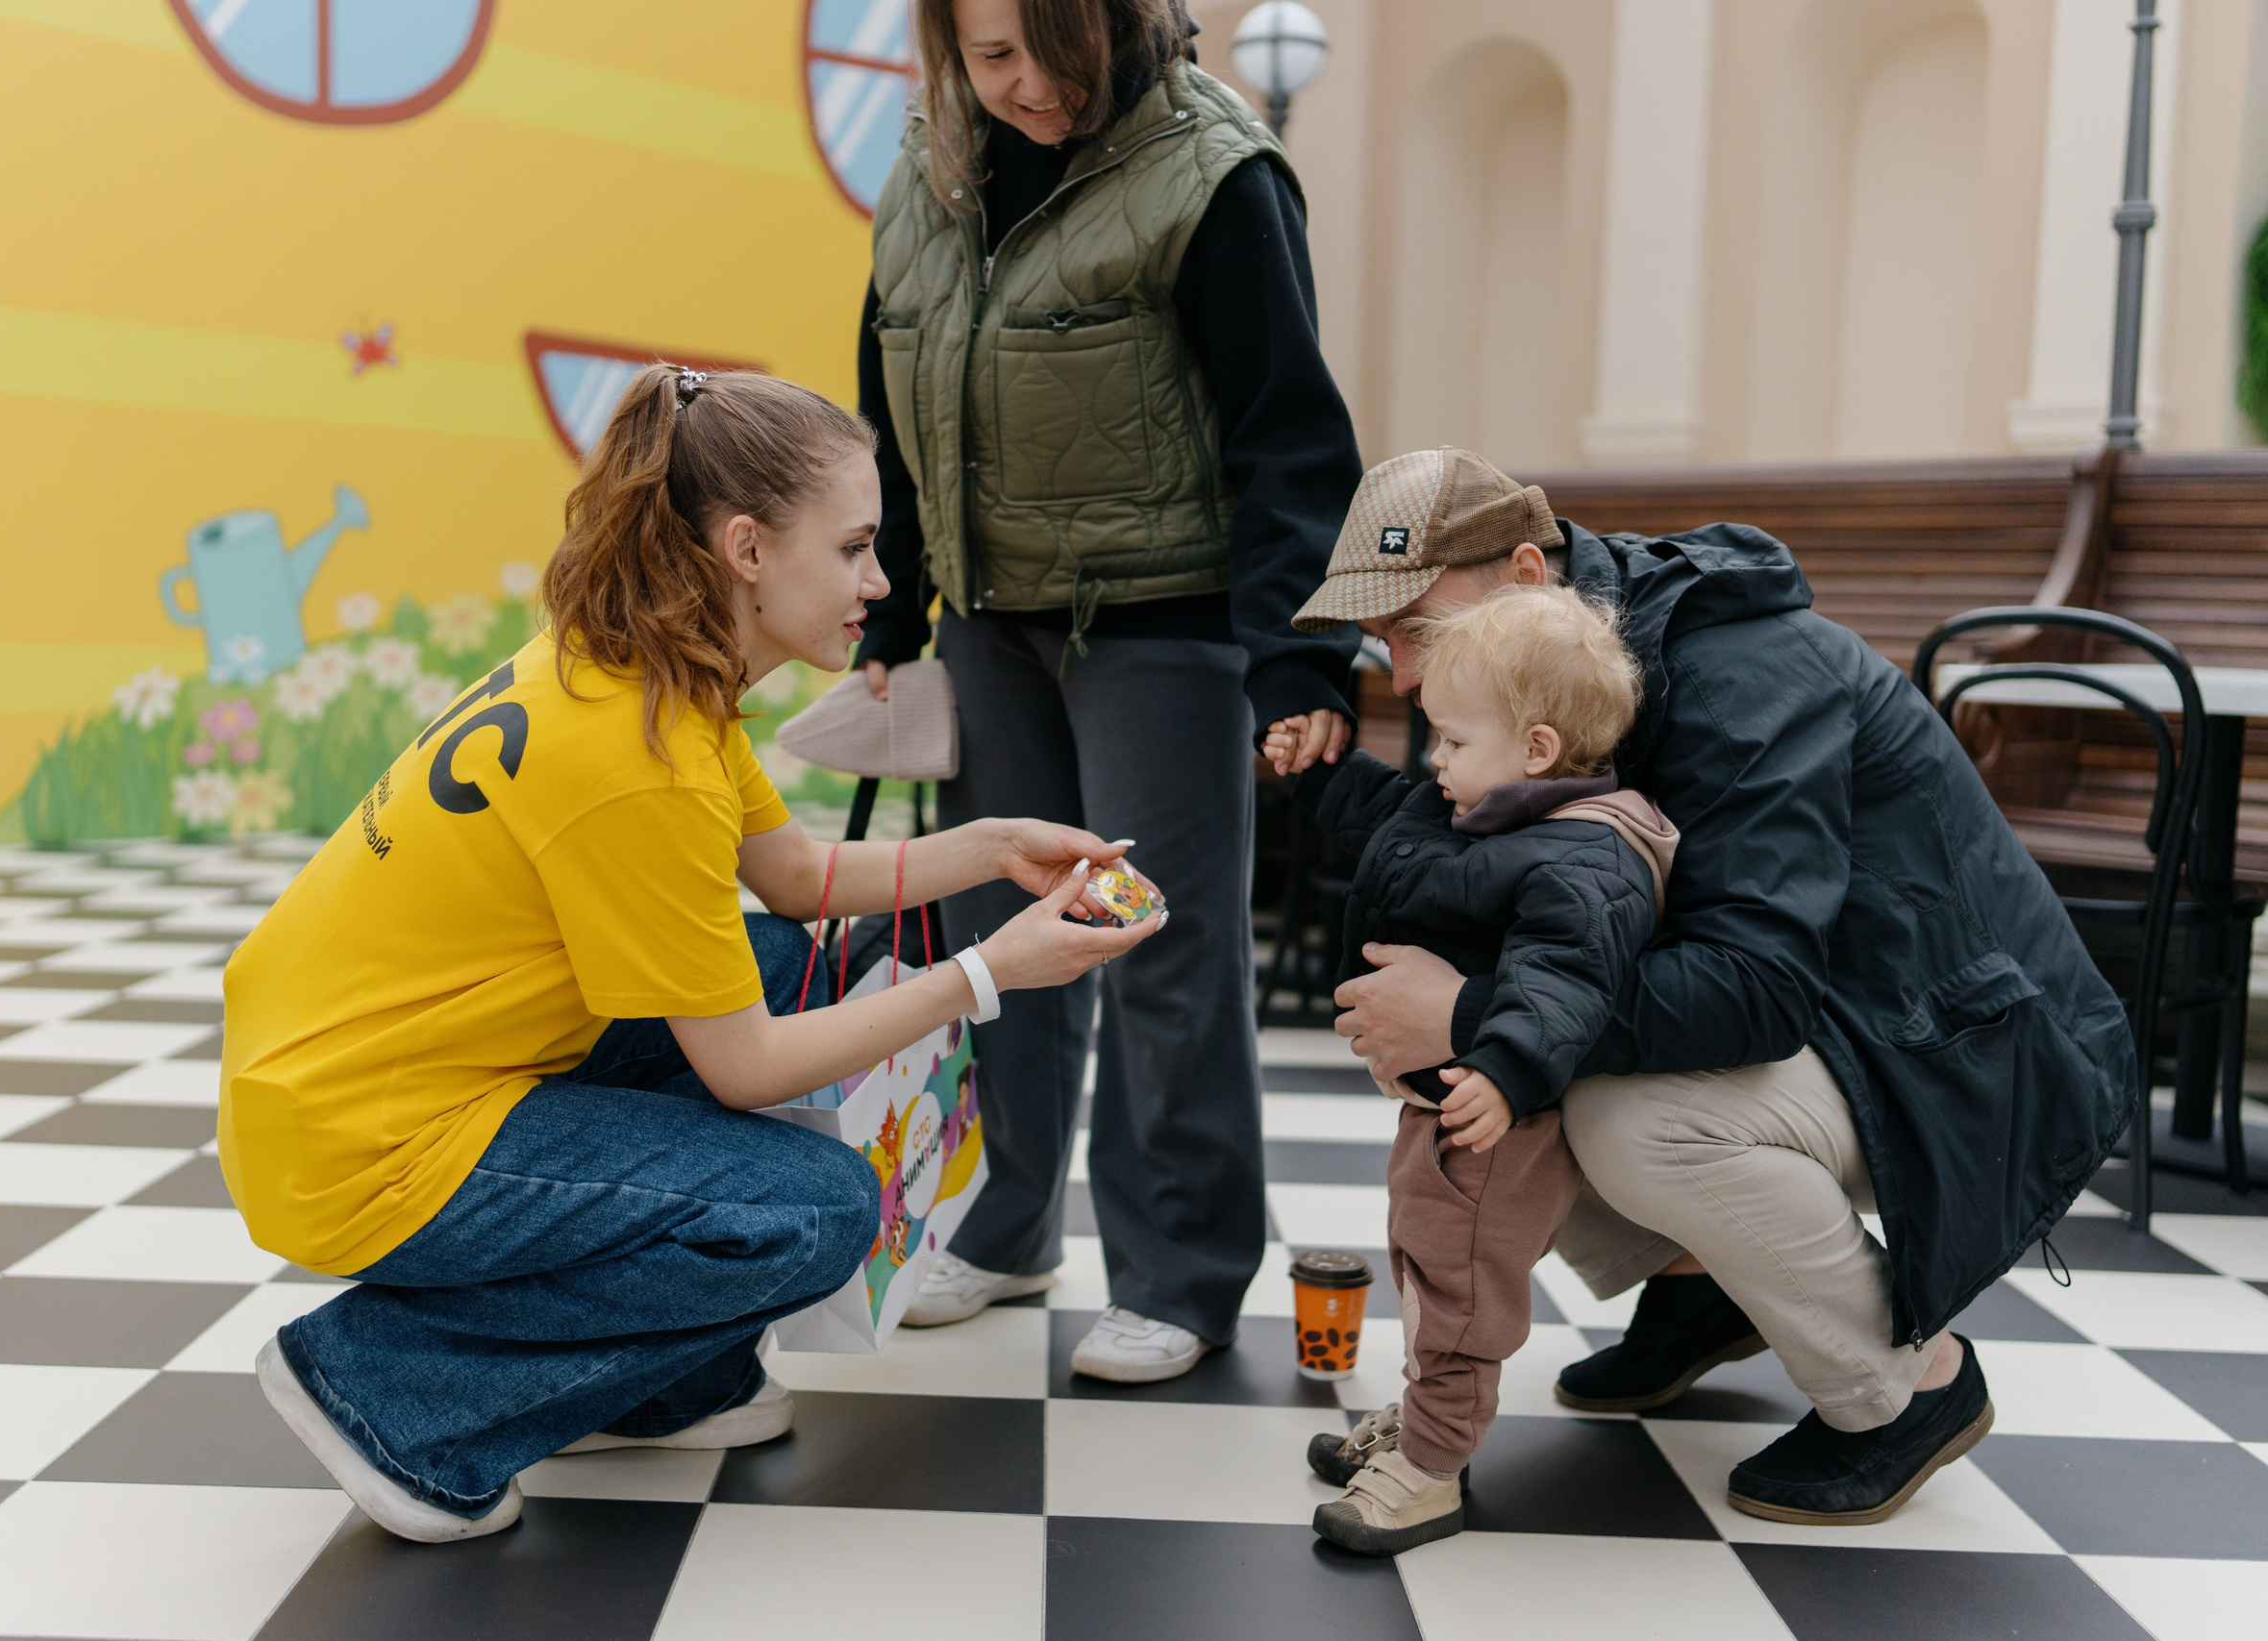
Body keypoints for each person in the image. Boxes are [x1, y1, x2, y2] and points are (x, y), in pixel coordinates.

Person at [218, 366, 1163, 1545]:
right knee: (814, 1213)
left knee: (783, 963)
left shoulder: (641, 672)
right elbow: (749, 1072)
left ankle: (663, 1381)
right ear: (747, 549)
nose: (879, 582)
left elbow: (797, 880)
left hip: (368, 1065)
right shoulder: (642, 756)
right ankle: (390, 1389)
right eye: (858, 547)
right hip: (367, 1136)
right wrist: (984, 976)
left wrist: (989, 845)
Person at [1270, 445, 2134, 1526]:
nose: (1397, 676)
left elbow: (1753, 990)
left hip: (1969, 1051)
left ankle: (1908, 1386)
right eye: (1380, 640)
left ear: (1529, 575)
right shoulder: (1528, 676)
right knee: (1526, 1052)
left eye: (1416, 630)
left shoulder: (1743, 678)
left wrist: (1464, 1011)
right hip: (1842, 1026)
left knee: (1620, 1108)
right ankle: (1693, 1291)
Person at [851, 0, 1362, 1381]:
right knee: (995, 928)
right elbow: (893, 396)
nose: (1028, 88)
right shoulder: (931, 161)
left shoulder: (1215, 172)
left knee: (1153, 951)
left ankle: (1183, 1274)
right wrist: (891, 605)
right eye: (991, 54)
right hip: (991, 621)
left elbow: (1291, 434)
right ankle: (1006, 1221)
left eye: (1052, 51)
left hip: (1163, 624)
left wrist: (1299, 657)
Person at [1268, 551, 1675, 1555]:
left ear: (1536, 748)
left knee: (1457, 1286)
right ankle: (1422, 1422)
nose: (1432, 758)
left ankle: (1433, 1467)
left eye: (1450, 739)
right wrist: (1318, 763)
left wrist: (1503, 1070)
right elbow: (1384, 819)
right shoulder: (1481, 807)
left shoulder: (1584, 855)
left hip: (1498, 1116)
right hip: (1448, 1107)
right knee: (1425, 1258)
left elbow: (1565, 980)